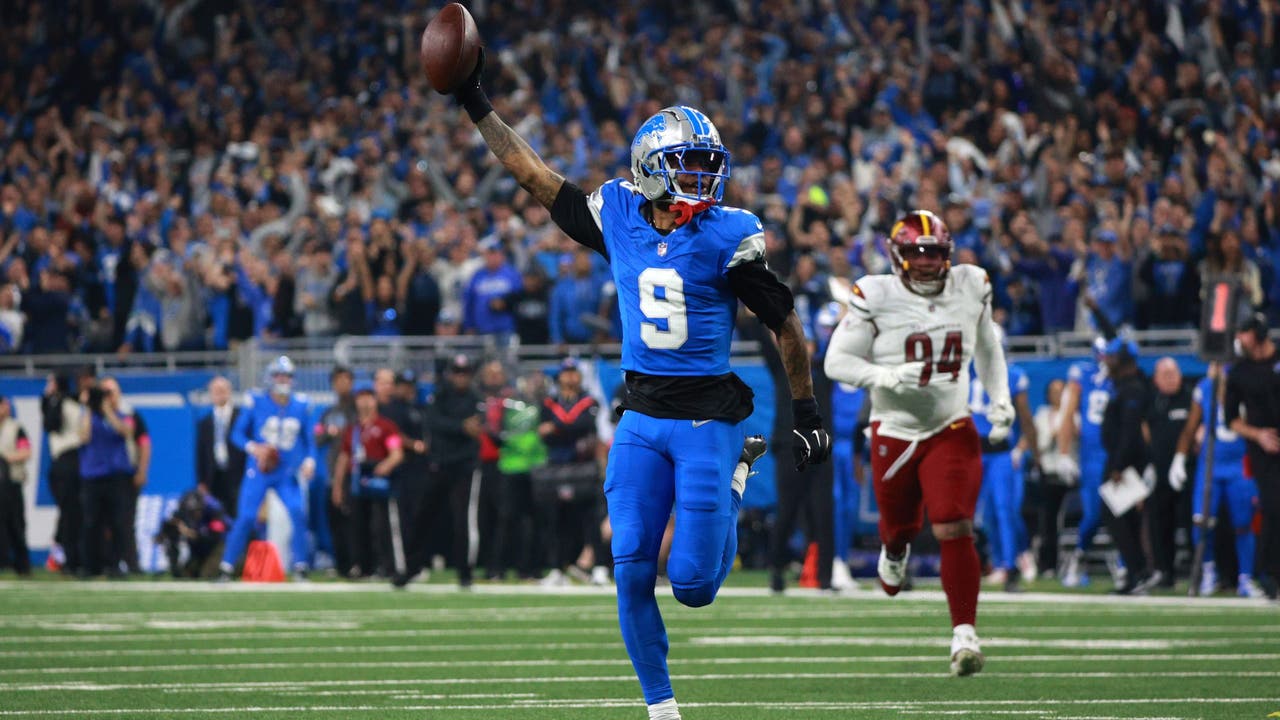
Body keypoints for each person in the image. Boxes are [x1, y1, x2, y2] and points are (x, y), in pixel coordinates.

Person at [449, 59, 829, 719]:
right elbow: (532, 173)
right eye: (689, 163)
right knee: (628, 566)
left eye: (708, 163)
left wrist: (806, 409)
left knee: (693, 587)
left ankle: (735, 480)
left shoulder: (729, 234)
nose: (703, 176)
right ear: (651, 169)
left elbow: (785, 325)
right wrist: (473, 99)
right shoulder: (618, 212)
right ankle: (661, 709)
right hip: (642, 416)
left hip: (708, 417)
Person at [824, 209, 1012, 676]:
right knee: (899, 527)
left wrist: (1000, 398)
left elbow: (988, 346)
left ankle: (964, 634)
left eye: (934, 253)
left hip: (951, 423)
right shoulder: (876, 293)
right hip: (894, 427)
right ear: (897, 255)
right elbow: (836, 362)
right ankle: (894, 551)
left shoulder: (972, 284)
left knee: (954, 524)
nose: (927, 263)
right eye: (917, 253)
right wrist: (885, 376)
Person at [217, 356, 315, 581]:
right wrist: (255, 448)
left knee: (297, 512)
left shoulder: (302, 405)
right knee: (246, 516)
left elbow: (309, 441)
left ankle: (301, 567)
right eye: (279, 375)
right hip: (259, 470)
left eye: (287, 376)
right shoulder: (256, 400)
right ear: (270, 378)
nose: (283, 380)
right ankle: (226, 567)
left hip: (286, 471)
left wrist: (309, 461)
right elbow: (237, 434)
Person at [1173, 362, 1262, 597]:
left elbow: (1249, 418)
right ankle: (1208, 571)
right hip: (1210, 464)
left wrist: (1223, 388)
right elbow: (1191, 425)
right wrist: (1179, 457)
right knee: (1201, 521)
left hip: (1240, 463)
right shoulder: (1204, 388)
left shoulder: (1245, 385)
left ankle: (1245, 577)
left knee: (1244, 523)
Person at [394, 354, 483, 589]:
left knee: (464, 520)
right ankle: (412, 567)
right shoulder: (440, 395)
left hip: (464, 466)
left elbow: (476, 426)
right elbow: (433, 422)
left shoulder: (475, 398)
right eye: (458, 372)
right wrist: (460, 426)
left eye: (465, 373)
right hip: (439, 465)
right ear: (451, 374)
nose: (461, 377)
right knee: (423, 516)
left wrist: (458, 427)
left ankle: (465, 573)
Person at [970, 326, 1038, 592]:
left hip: (1000, 452)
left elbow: (1026, 418)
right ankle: (991, 563)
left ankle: (1010, 567)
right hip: (973, 451)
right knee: (975, 514)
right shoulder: (967, 372)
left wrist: (1028, 450)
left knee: (1004, 510)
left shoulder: (1013, 375)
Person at [1223, 314, 1280, 599]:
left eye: (1243, 333)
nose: (1239, 339)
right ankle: (1267, 572)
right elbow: (1231, 419)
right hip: (1264, 448)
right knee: (1272, 504)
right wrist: (1258, 435)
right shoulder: (1239, 372)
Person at [1098, 338, 1160, 595]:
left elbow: (1130, 430)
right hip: (1122, 459)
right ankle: (1136, 573)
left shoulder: (1132, 388)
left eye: (1112, 357)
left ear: (1124, 360)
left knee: (1115, 517)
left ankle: (1139, 571)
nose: (1107, 361)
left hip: (1126, 462)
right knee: (1126, 518)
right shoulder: (1124, 385)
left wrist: (1118, 465)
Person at [535, 358, 605, 585]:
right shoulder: (549, 402)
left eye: (574, 372)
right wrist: (563, 430)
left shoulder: (589, 401)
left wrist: (556, 427)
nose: (571, 376)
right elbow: (542, 432)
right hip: (557, 466)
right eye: (567, 372)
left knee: (591, 519)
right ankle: (557, 568)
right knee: (556, 519)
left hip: (582, 465)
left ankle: (599, 567)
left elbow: (585, 424)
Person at [332, 382, 404, 579]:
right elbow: (344, 458)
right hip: (357, 481)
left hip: (379, 481)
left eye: (368, 397)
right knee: (357, 525)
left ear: (375, 400)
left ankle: (387, 565)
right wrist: (338, 486)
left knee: (381, 525)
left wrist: (386, 465)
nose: (365, 402)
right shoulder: (352, 430)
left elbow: (396, 452)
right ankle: (363, 566)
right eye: (361, 398)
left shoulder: (386, 426)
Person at [1057, 338, 1114, 587]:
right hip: (1091, 457)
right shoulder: (1082, 374)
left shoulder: (1123, 379)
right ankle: (1078, 556)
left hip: (1117, 456)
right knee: (1093, 514)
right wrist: (1064, 453)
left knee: (1123, 513)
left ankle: (1128, 565)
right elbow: (1068, 413)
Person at [77, 377, 135, 578]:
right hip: (92, 476)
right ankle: (90, 566)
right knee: (91, 522)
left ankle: (116, 564)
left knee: (117, 522)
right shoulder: (87, 417)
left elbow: (126, 431)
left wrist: (108, 409)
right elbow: (83, 437)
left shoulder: (123, 415)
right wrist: (89, 408)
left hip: (115, 475)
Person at [1146, 358, 1193, 590]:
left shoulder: (1190, 398)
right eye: (1165, 374)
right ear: (1155, 379)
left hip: (1188, 470)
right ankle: (1164, 572)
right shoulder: (1152, 401)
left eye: (1173, 373)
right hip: (1160, 471)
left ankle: (1200, 571)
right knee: (1160, 523)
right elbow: (1144, 428)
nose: (1170, 378)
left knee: (1193, 521)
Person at [99, 377, 150, 574]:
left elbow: (143, 443)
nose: (107, 396)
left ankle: (132, 563)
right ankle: (110, 564)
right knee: (105, 522)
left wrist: (142, 470)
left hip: (125, 475)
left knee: (125, 521)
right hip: (101, 476)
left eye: (110, 391)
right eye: (104, 392)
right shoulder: (93, 414)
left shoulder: (129, 414)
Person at [315, 366, 356, 577]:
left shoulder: (357, 409)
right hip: (333, 472)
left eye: (346, 380)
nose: (342, 384)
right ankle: (342, 565)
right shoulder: (329, 413)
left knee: (354, 520)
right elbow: (317, 437)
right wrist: (328, 433)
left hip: (355, 471)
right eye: (338, 380)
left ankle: (359, 563)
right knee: (335, 519)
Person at [41, 373, 83, 574]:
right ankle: (67, 558)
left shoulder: (63, 404)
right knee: (69, 512)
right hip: (70, 461)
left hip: (68, 460)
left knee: (69, 513)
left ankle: (68, 559)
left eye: (50, 383)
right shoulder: (74, 404)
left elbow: (51, 424)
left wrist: (50, 398)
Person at [196, 376, 246, 517]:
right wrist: (201, 481)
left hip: (238, 475)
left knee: (237, 512)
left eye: (222, 390)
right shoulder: (205, 423)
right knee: (217, 516)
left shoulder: (241, 417)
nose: (219, 394)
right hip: (214, 475)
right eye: (216, 391)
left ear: (229, 392)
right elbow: (201, 453)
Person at [155, 488, 230, 579]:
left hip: (218, 547)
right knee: (186, 574)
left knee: (205, 575)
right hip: (197, 550)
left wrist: (194, 534)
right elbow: (168, 527)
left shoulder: (214, 512)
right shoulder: (182, 513)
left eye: (196, 511)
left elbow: (216, 536)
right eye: (190, 512)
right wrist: (162, 535)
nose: (194, 515)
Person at [0, 397, 32, 575]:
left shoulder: (15, 428)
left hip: (11, 482)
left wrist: (5, 458)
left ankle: (22, 564)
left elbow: (26, 451)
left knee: (16, 524)